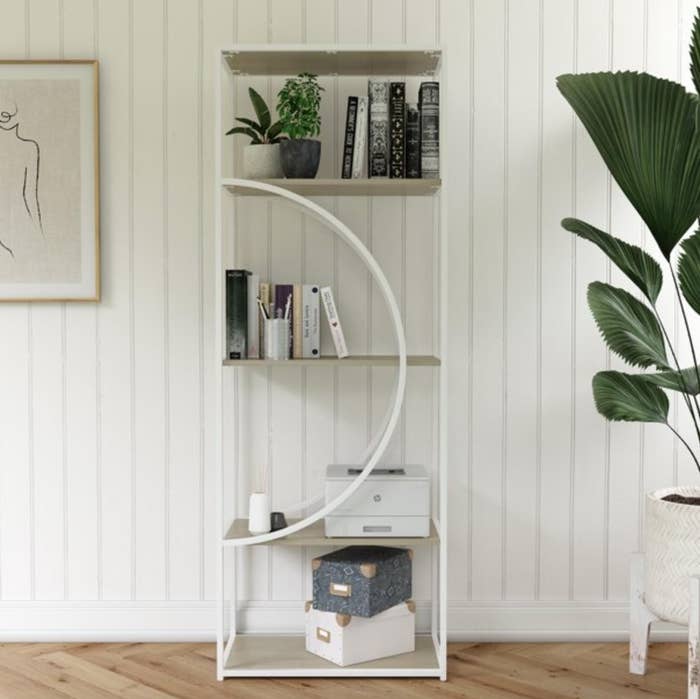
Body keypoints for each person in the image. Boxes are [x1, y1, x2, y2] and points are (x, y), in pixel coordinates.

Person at [0, 94, 43, 259]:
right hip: (17, 220)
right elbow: (30, 196)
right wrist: (39, 234)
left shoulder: (29, 148)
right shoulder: (29, 148)